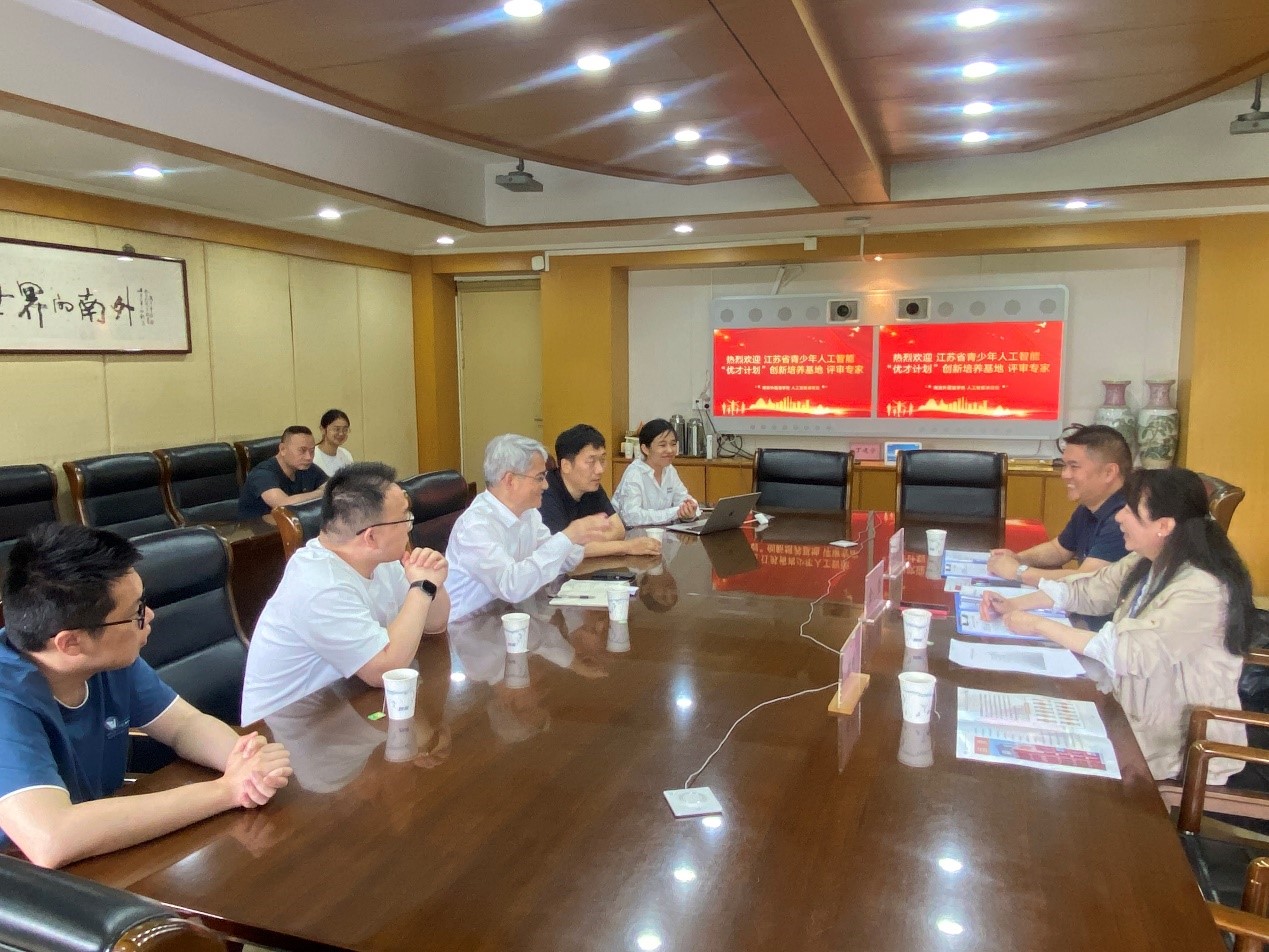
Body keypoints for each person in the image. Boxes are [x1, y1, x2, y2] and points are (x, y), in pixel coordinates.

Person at [0, 524, 292, 869]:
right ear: (71, 642)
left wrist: (245, 762)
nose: (149, 616)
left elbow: (183, 725)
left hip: (99, 848)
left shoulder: (107, 662)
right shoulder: (8, 696)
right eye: (135, 612)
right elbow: (52, 839)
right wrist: (227, 791)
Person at [980, 467, 1257, 783]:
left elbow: (1127, 651)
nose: (1119, 517)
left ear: (1164, 525)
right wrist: (1015, 604)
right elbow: (1089, 589)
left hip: (1177, 751)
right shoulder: (1150, 559)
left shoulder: (1202, 588)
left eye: (1131, 510)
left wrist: (1039, 626)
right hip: (1129, 716)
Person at [241, 462, 451, 724]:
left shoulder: (379, 559)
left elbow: (435, 625)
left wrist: (432, 582)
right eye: (405, 518)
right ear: (371, 537)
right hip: (291, 729)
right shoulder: (319, 585)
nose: (410, 525)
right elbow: (385, 670)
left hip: (349, 704)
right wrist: (421, 588)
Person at [446, 434, 612, 620]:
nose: (546, 485)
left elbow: (562, 563)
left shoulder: (528, 513)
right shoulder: (475, 526)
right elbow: (511, 586)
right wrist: (568, 536)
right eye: (539, 477)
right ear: (510, 480)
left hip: (508, 614)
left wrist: (578, 539)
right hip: (467, 626)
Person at [986, 424, 1132, 627]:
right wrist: (1018, 558)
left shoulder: (1126, 517)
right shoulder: (1090, 505)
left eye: (1074, 466)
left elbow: (1085, 580)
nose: (1064, 475)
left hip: (1107, 629)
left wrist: (1019, 572)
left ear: (1109, 472)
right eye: (1064, 466)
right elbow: (1059, 549)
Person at [539, 424, 661, 559]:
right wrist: (627, 547)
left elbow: (618, 529)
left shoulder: (591, 486)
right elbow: (560, 549)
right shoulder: (544, 492)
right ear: (566, 465)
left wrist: (582, 542)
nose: (600, 470)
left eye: (602, 460)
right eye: (590, 461)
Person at [611, 419, 700, 526]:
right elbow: (631, 517)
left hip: (661, 532)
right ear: (645, 449)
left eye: (673, 444)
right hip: (631, 533)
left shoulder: (669, 470)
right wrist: (675, 513)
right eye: (662, 445)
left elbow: (683, 499)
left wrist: (689, 510)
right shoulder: (634, 473)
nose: (670, 450)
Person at [238, 425, 328, 520]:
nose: (308, 457)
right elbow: (283, 504)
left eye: (312, 451)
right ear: (283, 449)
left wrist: (326, 490)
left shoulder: (305, 466)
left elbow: (333, 487)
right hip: (256, 528)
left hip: (294, 525)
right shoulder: (262, 474)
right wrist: (321, 493)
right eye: (302, 450)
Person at [313, 409, 354, 477]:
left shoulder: (346, 454)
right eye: (336, 429)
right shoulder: (312, 456)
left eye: (345, 429)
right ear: (323, 429)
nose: (341, 433)